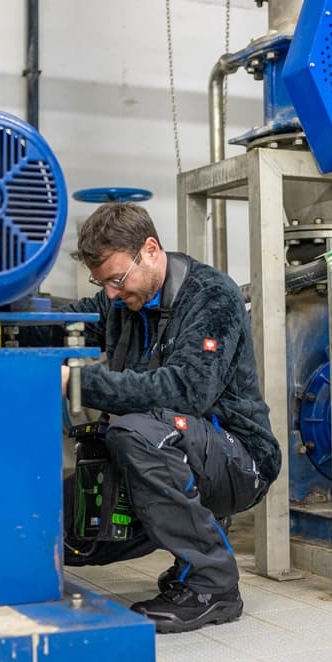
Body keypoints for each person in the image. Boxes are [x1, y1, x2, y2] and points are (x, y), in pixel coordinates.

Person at [54, 202, 281, 633]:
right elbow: (69, 322)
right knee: (67, 532)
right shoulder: (121, 303)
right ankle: (190, 548)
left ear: (151, 249)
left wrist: (75, 381)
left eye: (117, 280)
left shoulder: (212, 296)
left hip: (238, 459)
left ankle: (214, 585)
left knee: (135, 433)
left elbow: (185, 392)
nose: (111, 294)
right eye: (102, 284)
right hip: (163, 446)